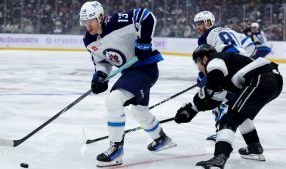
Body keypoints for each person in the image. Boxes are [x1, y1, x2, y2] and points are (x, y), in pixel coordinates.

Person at [79, 1, 176, 167]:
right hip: (130, 72)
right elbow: (101, 61)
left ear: (101, 17)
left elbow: (146, 16)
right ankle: (161, 139)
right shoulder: (88, 39)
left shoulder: (116, 22)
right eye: (84, 22)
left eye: (91, 21)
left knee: (114, 100)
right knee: (139, 111)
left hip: (146, 68)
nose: (88, 26)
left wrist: (144, 42)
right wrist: (99, 76)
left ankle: (116, 150)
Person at [174, 44, 283, 168]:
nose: (198, 68)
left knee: (229, 118)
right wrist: (192, 110)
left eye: (197, 63)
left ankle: (220, 156)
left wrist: (206, 90)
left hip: (262, 79)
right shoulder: (223, 71)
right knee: (238, 112)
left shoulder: (214, 61)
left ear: (204, 59)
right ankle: (253, 147)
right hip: (270, 80)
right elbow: (215, 100)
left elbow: (214, 77)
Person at [193, 11, 255, 141]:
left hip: (228, 67)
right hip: (243, 66)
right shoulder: (230, 30)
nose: (198, 27)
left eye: (200, 23)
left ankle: (221, 128)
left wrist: (204, 76)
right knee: (235, 103)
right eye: (196, 24)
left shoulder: (203, 37)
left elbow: (206, 59)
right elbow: (250, 45)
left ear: (208, 22)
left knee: (212, 92)